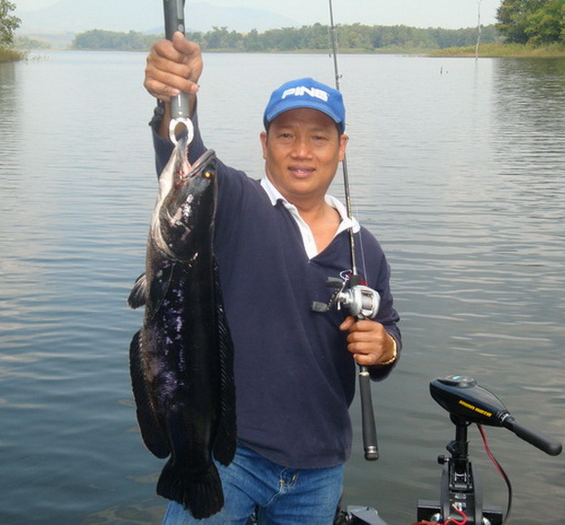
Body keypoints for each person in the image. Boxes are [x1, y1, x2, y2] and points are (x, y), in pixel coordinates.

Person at [143, 32, 402, 525]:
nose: (302, 151)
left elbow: (388, 335)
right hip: (230, 457)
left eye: (319, 137)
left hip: (321, 469)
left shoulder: (363, 246)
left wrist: (384, 347)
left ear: (341, 147)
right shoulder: (235, 203)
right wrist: (175, 98)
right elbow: (183, 158)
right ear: (265, 143)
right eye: (286, 135)